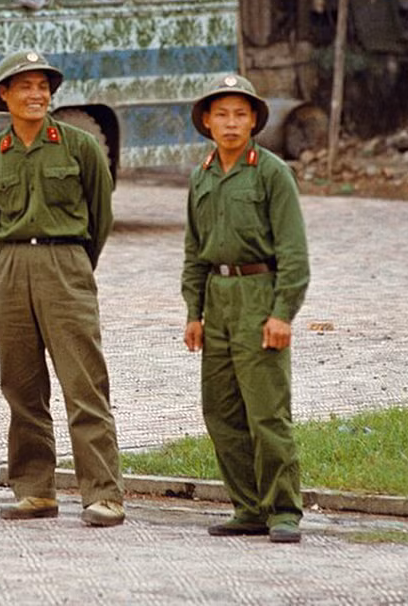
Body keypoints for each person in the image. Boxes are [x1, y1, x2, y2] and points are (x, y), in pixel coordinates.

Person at [0, 50, 125, 528]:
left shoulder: (80, 147)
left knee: (84, 383)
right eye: (25, 86)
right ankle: (34, 490)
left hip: (66, 264)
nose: (37, 95)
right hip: (11, 265)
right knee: (20, 386)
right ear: (4, 95)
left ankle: (103, 493)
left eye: (43, 86)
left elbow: (100, 215)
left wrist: (74, 264)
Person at [180, 73, 310, 543]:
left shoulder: (272, 172)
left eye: (240, 113)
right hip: (218, 299)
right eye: (222, 114)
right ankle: (248, 506)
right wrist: (194, 313)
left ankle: (282, 509)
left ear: (254, 119)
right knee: (221, 410)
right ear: (207, 122)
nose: (231, 123)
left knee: (266, 411)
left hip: (260, 296)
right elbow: (196, 251)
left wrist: (282, 314)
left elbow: (294, 254)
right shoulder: (202, 176)